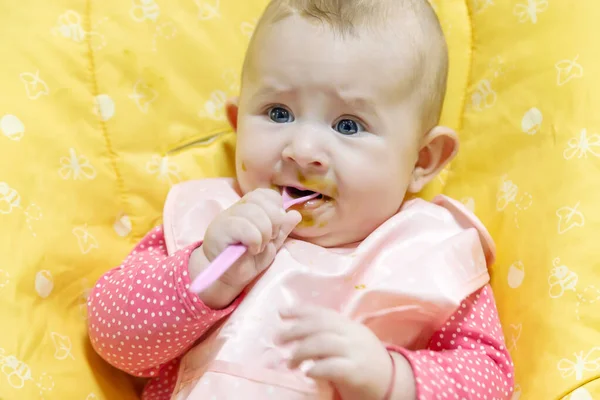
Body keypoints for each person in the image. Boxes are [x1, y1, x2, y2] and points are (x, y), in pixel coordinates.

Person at [88, 0, 514, 399]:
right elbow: (114, 342)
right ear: (239, 125)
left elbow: (491, 381)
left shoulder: (429, 253)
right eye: (278, 114)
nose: (302, 148)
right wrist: (205, 273)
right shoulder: (208, 220)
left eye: (348, 125)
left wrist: (391, 379)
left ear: (422, 159)